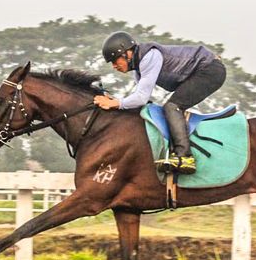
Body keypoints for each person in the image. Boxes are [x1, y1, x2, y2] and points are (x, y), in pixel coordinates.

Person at [95, 31, 226, 174]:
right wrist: (115, 101)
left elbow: (141, 98)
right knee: (168, 107)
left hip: (209, 69)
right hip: (201, 70)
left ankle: (185, 157)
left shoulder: (149, 57)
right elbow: (139, 101)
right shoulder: (138, 69)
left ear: (127, 53)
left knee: (172, 107)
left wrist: (115, 103)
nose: (114, 66)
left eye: (115, 60)